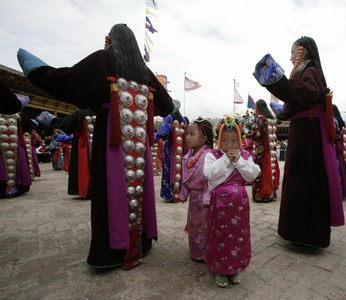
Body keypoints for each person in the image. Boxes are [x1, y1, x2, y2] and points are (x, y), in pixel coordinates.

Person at [17, 23, 176, 269]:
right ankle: (140, 243)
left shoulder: (104, 59)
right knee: (137, 189)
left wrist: (38, 72)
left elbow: (69, 81)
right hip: (138, 145)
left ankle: (112, 252)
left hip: (111, 140)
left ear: (111, 40)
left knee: (110, 189)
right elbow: (166, 105)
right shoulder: (144, 72)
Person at [252, 36, 344, 248]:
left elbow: (308, 94)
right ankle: (297, 231)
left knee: (306, 181)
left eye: (293, 52)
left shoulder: (311, 70)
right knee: (299, 180)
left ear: (302, 51)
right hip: (303, 131)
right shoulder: (306, 72)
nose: (290, 56)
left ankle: (306, 234)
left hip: (309, 135)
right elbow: (295, 101)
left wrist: (282, 81)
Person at [203, 117, 260, 287]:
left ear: (240, 140)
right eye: (225, 140)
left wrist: (239, 161)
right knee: (220, 236)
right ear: (218, 141)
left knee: (238, 237)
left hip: (240, 206)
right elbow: (209, 174)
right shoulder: (212, 156)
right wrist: (227, 160)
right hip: (219, 204)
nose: (229, 145)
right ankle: (220, 269)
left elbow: (253, 174)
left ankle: (235, 267)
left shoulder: (245, 156)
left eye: (234, 140)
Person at [180, 118, 213, 261]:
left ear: (204, 138)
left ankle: (205, 253)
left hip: (206, 199)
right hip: (194, 198)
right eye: (187, 133)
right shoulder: (189, 156)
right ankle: (196, 252)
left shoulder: (209, 156)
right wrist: (184, 193)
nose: (187, 137)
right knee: (194, 225)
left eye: (192, 134)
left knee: (205, 226)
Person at [246, 99, 280, 202]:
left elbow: (258, 134)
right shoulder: (271, 119)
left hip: (261, 149)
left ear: (259, 108)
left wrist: (247, 135)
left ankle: (259, 194)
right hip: (270, 149)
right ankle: (270, 194)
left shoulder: (260, 118)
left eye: (255, 107)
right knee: (269, 169)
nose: (254, 109)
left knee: (259, 170)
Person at [156, 111, 188, 202]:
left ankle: (169, 195)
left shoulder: (168, 117)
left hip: (170, 148)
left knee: (169, 168)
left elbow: (163, 132)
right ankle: (179, 193)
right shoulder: (183, 119)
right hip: (180, 148)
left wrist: (157, 136)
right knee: (179, 168)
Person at [333, 104, 346, 198]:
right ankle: (343, 189)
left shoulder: (332, 120)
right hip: (340, 148)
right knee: (341, 166)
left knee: (335, 167)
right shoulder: (340, 122)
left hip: (333, 147)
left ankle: (336, 191)